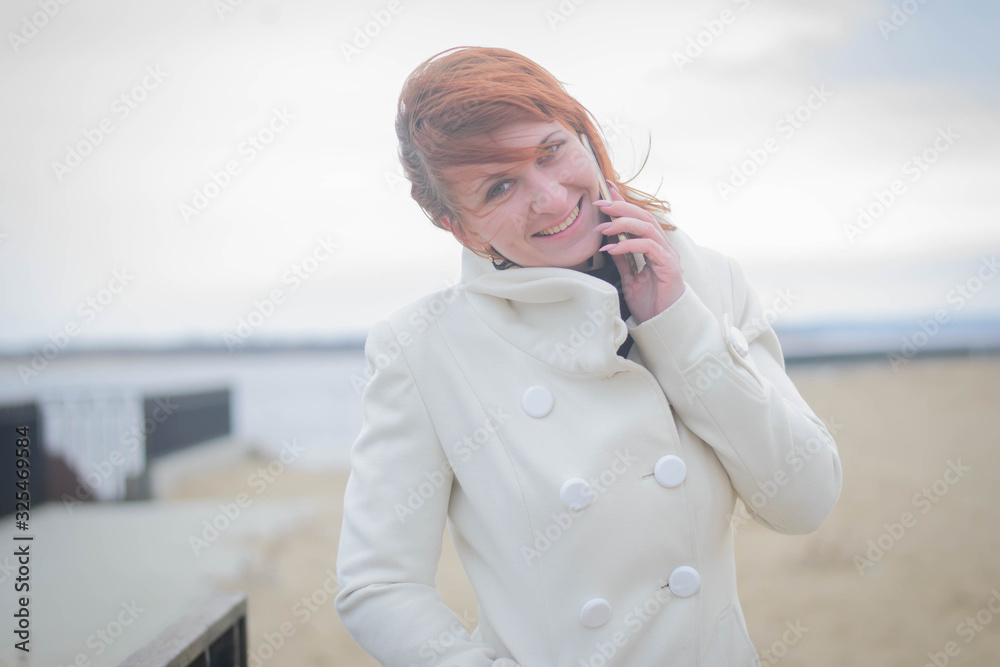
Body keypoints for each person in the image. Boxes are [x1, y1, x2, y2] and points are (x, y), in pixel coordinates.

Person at [334, 46, 842, 667]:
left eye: (551, 151)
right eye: (499, 187)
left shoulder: (710, 281)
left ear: (585, 136)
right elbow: (378, 585)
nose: (550, 198)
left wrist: (678, 324)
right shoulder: (425, 348)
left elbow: (805, 502)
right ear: (461, 228)